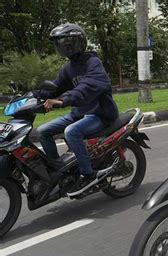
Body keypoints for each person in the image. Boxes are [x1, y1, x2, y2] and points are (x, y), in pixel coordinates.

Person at [35, 23, 119, 196]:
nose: (64, 47)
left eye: (67, 43)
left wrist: (62, 101)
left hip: (99, 113)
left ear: (79, 42)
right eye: (60, 44)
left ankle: (88, 175)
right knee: (43, 131)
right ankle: (58, 170)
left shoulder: (93, 63)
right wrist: (33, 96)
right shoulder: (69, 68)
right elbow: (54, 87)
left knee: (71, 132)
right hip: (79, 113)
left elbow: (87, 87)